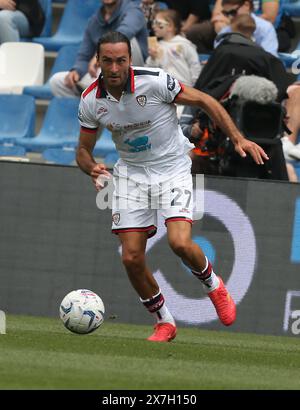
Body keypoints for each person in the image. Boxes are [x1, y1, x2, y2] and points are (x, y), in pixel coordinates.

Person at [76, 31, 268, 342]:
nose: (114, 68)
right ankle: (164, 321)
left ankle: (213, 285)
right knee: (130, 257)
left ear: (130, 60)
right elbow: (82, 151)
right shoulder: (90, 101)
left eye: (121, 61)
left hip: (173, 168)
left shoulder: (154, 81)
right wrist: (92, 168)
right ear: (98, 61)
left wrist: (238, 138)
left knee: (180, 243)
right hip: (131, 175)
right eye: (107, 61)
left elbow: (205, 100)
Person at [49, 0, 148, 97]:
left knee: (125, 42)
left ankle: (98, 89)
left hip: (133, 73)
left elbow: (125, 31)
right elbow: (84, 55)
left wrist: (99, 55)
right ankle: (91, 102)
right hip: (100, 72)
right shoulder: (94, 21)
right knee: (57, 81)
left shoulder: (134, 10)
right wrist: (77, 71)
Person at [145, 9, 201, 87]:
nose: (153, 26)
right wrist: (153, 58)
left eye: (157, 23)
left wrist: (195, 85)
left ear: (170, 26)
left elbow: (194, 65)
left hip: (185, 87)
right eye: (153, 23)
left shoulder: (185, 44)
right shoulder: (157, 47)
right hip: (165, 88)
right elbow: (149, 71)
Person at [213, 0, 279, 56]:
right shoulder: (225, 31)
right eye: (226, 13)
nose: (230, 17)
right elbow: (219, 56)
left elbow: (270, 60)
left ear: (246, 5)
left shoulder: (265, 28)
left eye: (233, 12)